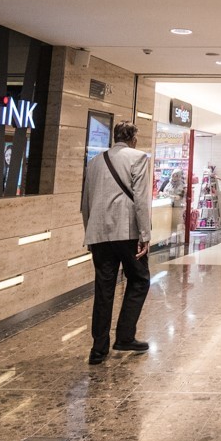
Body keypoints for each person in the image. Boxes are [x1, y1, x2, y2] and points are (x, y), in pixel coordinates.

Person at [80, 121, 152, 365]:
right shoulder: (139, 157)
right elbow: (141, 199)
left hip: (98, 234)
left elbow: (86, 202)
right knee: (140, 279)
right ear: (132, 138)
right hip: (127, 231)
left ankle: (98, 349)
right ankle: (124, 336)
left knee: (104, 288)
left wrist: (89, 233)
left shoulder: (95, 162)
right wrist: (145, 234)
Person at [160, 168, 187, 244]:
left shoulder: (182, 185)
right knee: (166, 225)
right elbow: (160, 191)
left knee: (176, 225)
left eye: (177, 175)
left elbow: (180, 197)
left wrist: (171, 196)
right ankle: (166, 240)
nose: (174, 177)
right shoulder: (166, 182)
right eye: (173, 175)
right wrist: (162, 194)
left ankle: (177, 241)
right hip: (166, 208)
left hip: (177, 208)